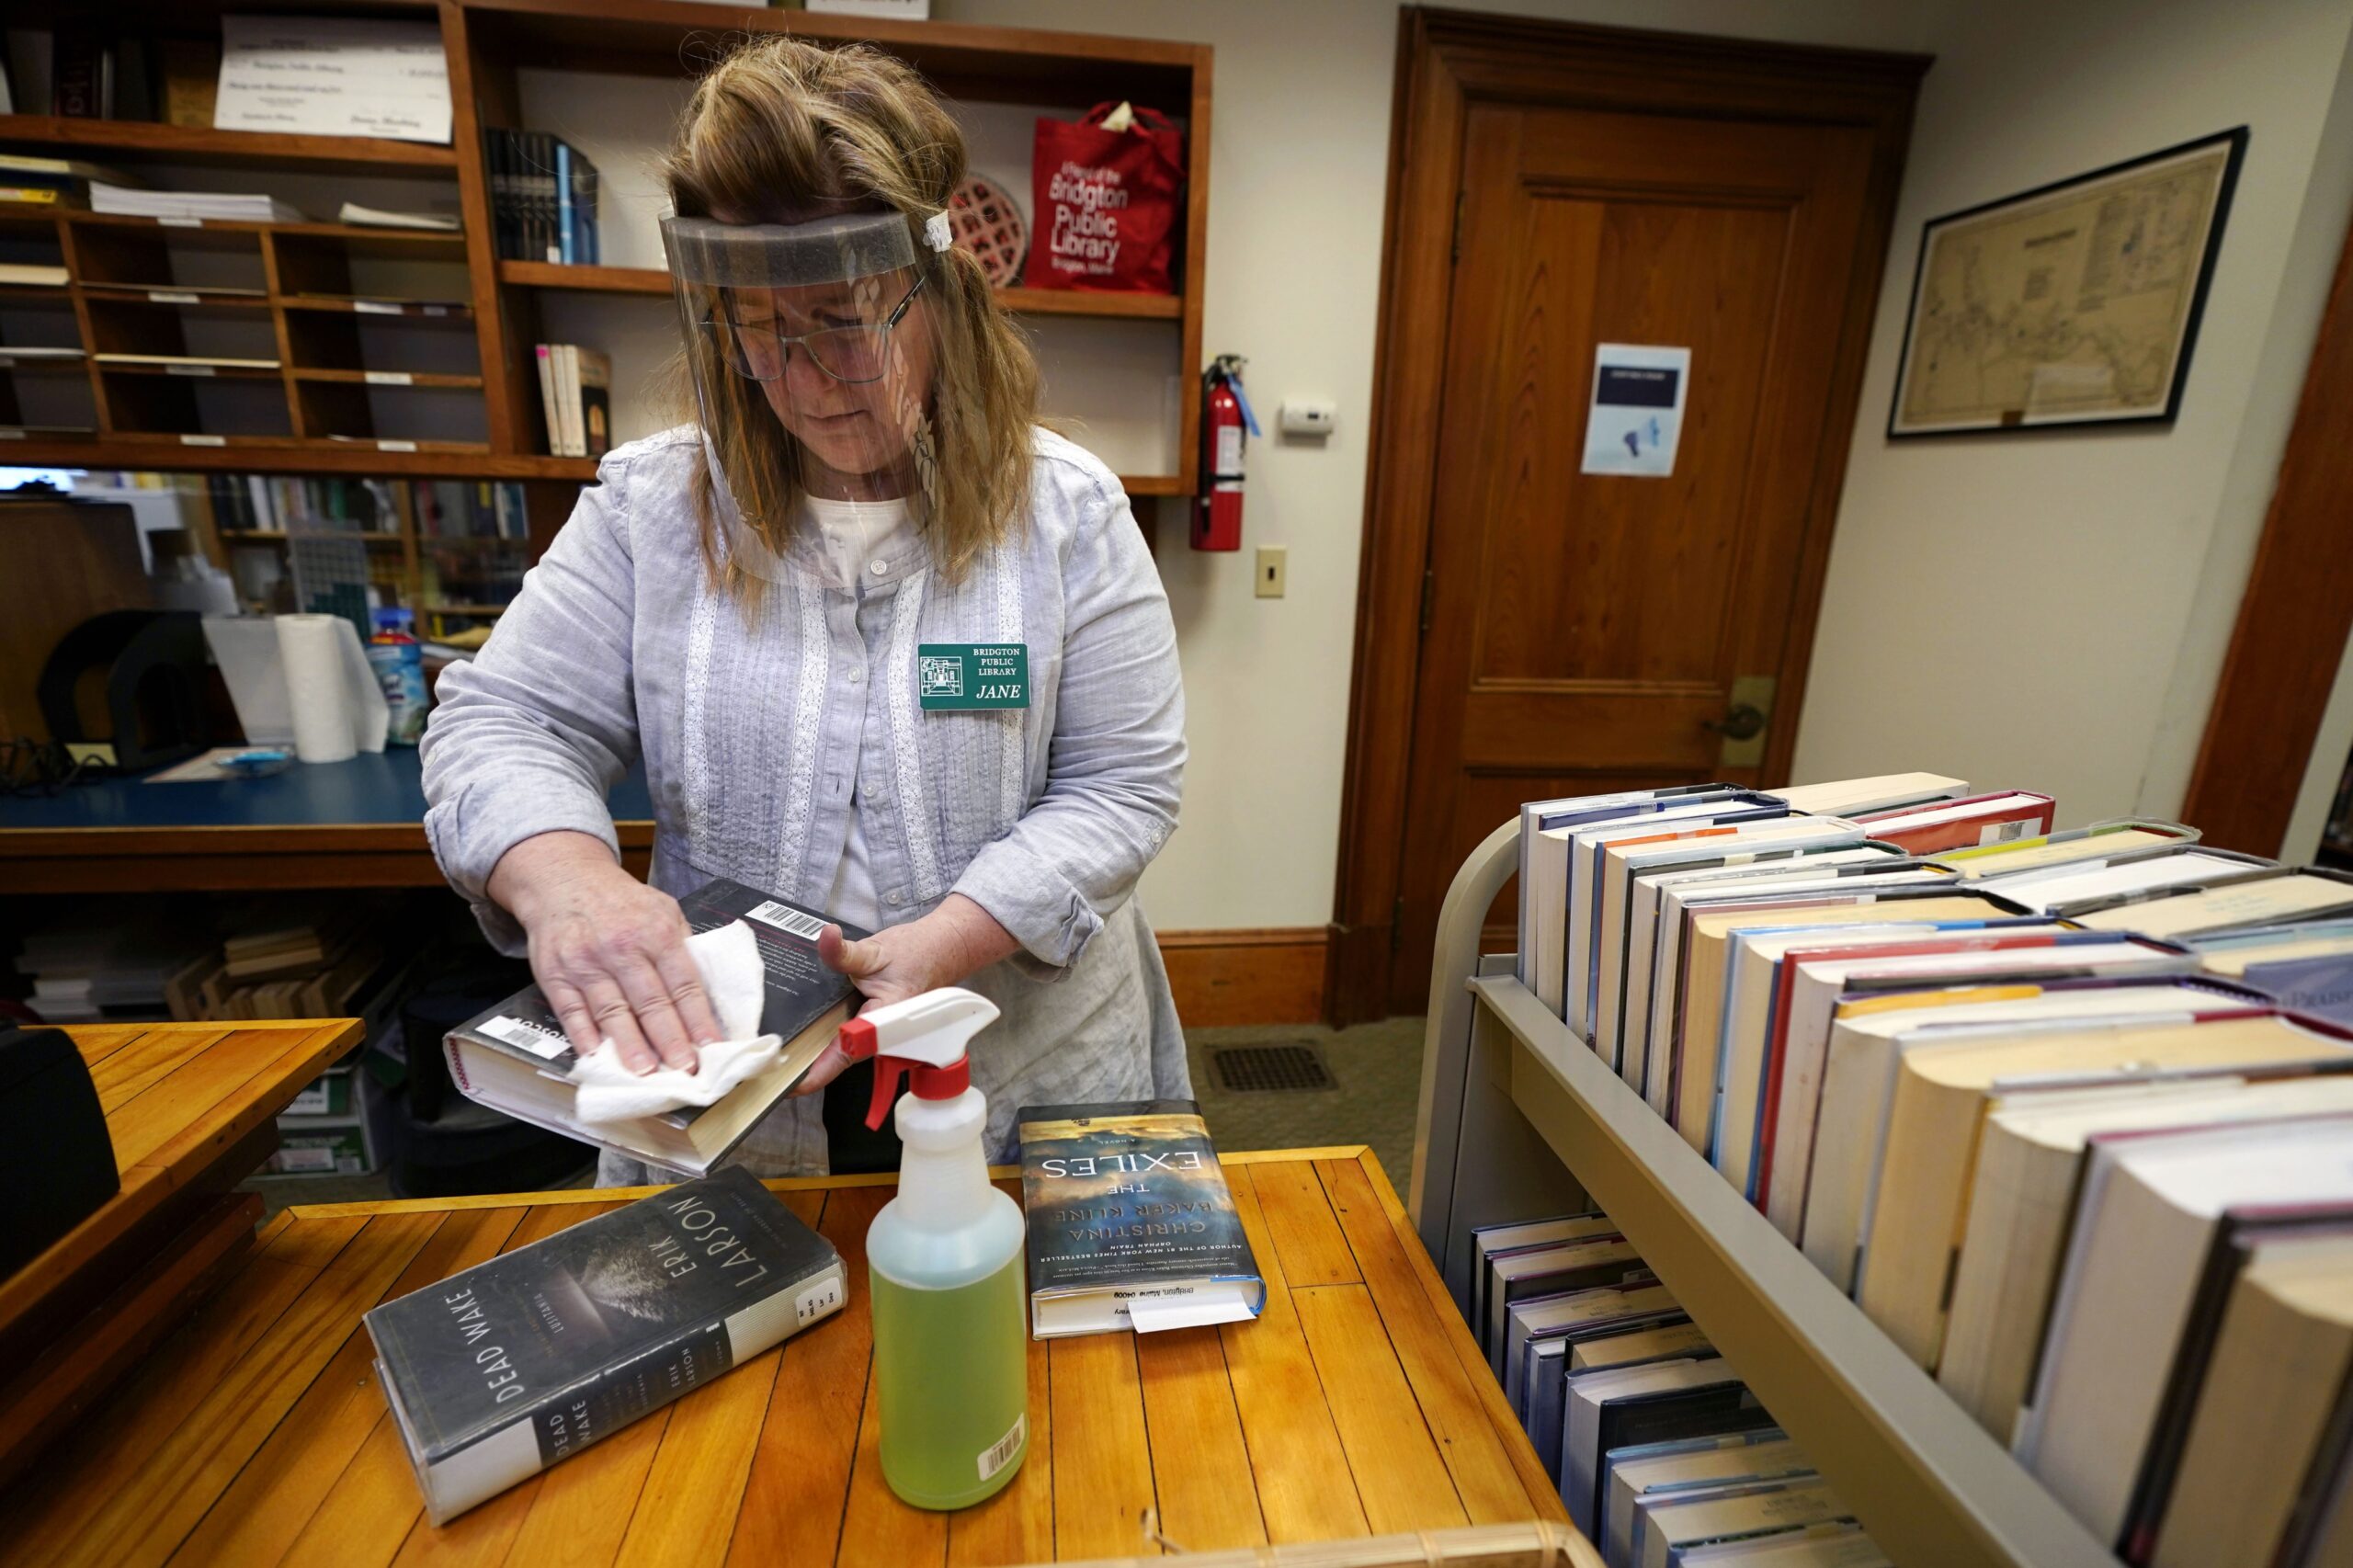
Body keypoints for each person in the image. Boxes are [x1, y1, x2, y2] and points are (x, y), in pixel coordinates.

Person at [420, 35, 1188, 1181]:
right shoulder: (652, 509)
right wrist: (568, 878)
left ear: (942, 295)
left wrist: (954, 936)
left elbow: (1121, 783)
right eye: (760, 327)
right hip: (728, 1083)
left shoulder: (1067, 512)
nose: (805, 375)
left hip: (1018, 1060)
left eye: (841, 318)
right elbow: (503, 721)